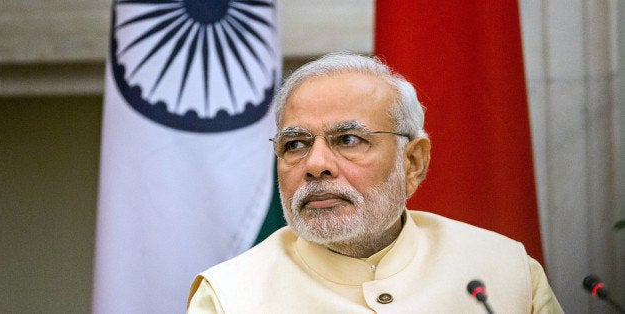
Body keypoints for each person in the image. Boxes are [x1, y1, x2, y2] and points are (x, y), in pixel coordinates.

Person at [187, 52, 563, 313]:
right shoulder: (229, 297)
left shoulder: (506, 273)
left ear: (413, 162)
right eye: (296, 144)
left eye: (348, 140)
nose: (316, 165)